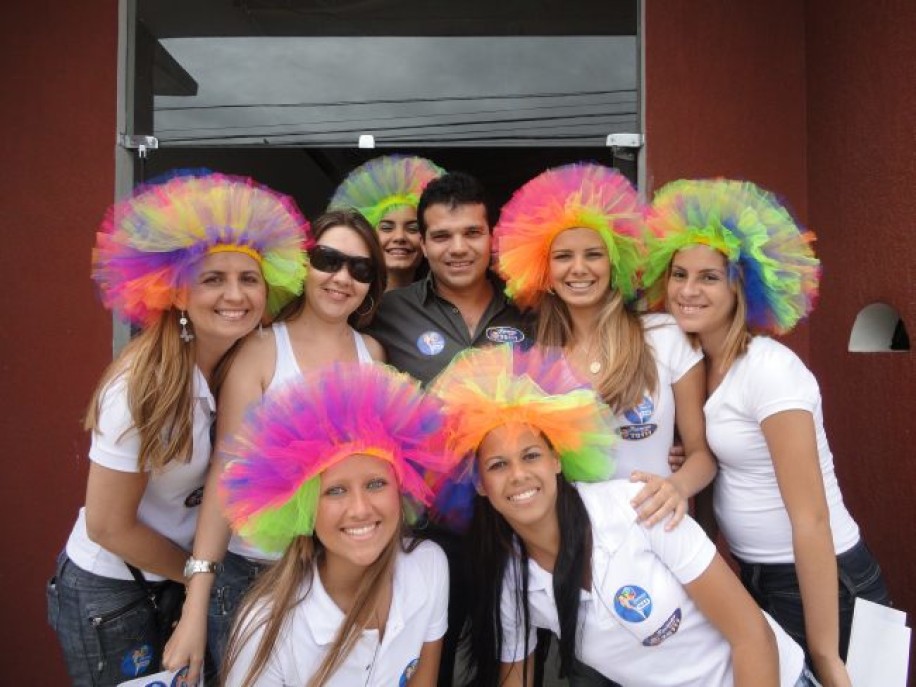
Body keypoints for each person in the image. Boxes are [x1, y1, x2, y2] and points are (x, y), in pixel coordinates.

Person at [46, 171, 308, 686]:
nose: (236, 295)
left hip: (175, 578)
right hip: (113, 590)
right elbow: (109, 526)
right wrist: (202, 573)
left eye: (248, 278)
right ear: (178, 294)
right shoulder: (141, 388)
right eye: (213, 279)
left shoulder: (237, 366)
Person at [429, 345, 815, 687]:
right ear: (479, 484)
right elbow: (516, 675)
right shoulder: (510, 576)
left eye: (531, 456)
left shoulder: (639, 507)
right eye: (497, 465)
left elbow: (752, 637)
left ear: (557, 460)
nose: (518, 476)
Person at [643, 178, 891, 687]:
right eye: (680, 274)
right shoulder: (697, 364)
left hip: (820, 581)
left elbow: (812, 520)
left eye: (709, 277)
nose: (689, 291)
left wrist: (826, 655)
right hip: (758, 576)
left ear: (741, 285)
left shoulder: (771, 371)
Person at [164, 209, 386, 683]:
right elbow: (225, 478)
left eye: (360, 269)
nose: (342, 278)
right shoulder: (261, 351)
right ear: (303, 265)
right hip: (256, 577)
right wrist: (195, 605)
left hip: (340, 575)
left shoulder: (374, 355)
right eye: (328, 259)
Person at [494, 162, 717, 532]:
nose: (579, 268)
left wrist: (675, 487)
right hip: (573, 539)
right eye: (563, 256)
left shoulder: (664, 336)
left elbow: (702, 455)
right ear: (544, 273)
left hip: (657, 530)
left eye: (593, 254)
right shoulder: (534, 358)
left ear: (615, 263)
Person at [219, 362, 458, 686]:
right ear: (304, 509)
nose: (360, 509)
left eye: (376, 484)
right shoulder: (267, 627)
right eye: (335, 491)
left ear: (401, 489)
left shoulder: (429, 566)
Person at [366, 170, 531, 386]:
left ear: (491, 238)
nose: (458, 248)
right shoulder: (386, 313)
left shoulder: (531, 309)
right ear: (423, 245)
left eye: (472, 233)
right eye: (442, 236)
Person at [328, 154, 445, 290]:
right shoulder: (348, 301)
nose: (399, 237)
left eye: (413, 228)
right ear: (368, 235)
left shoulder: (441, 304)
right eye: (387, 228)